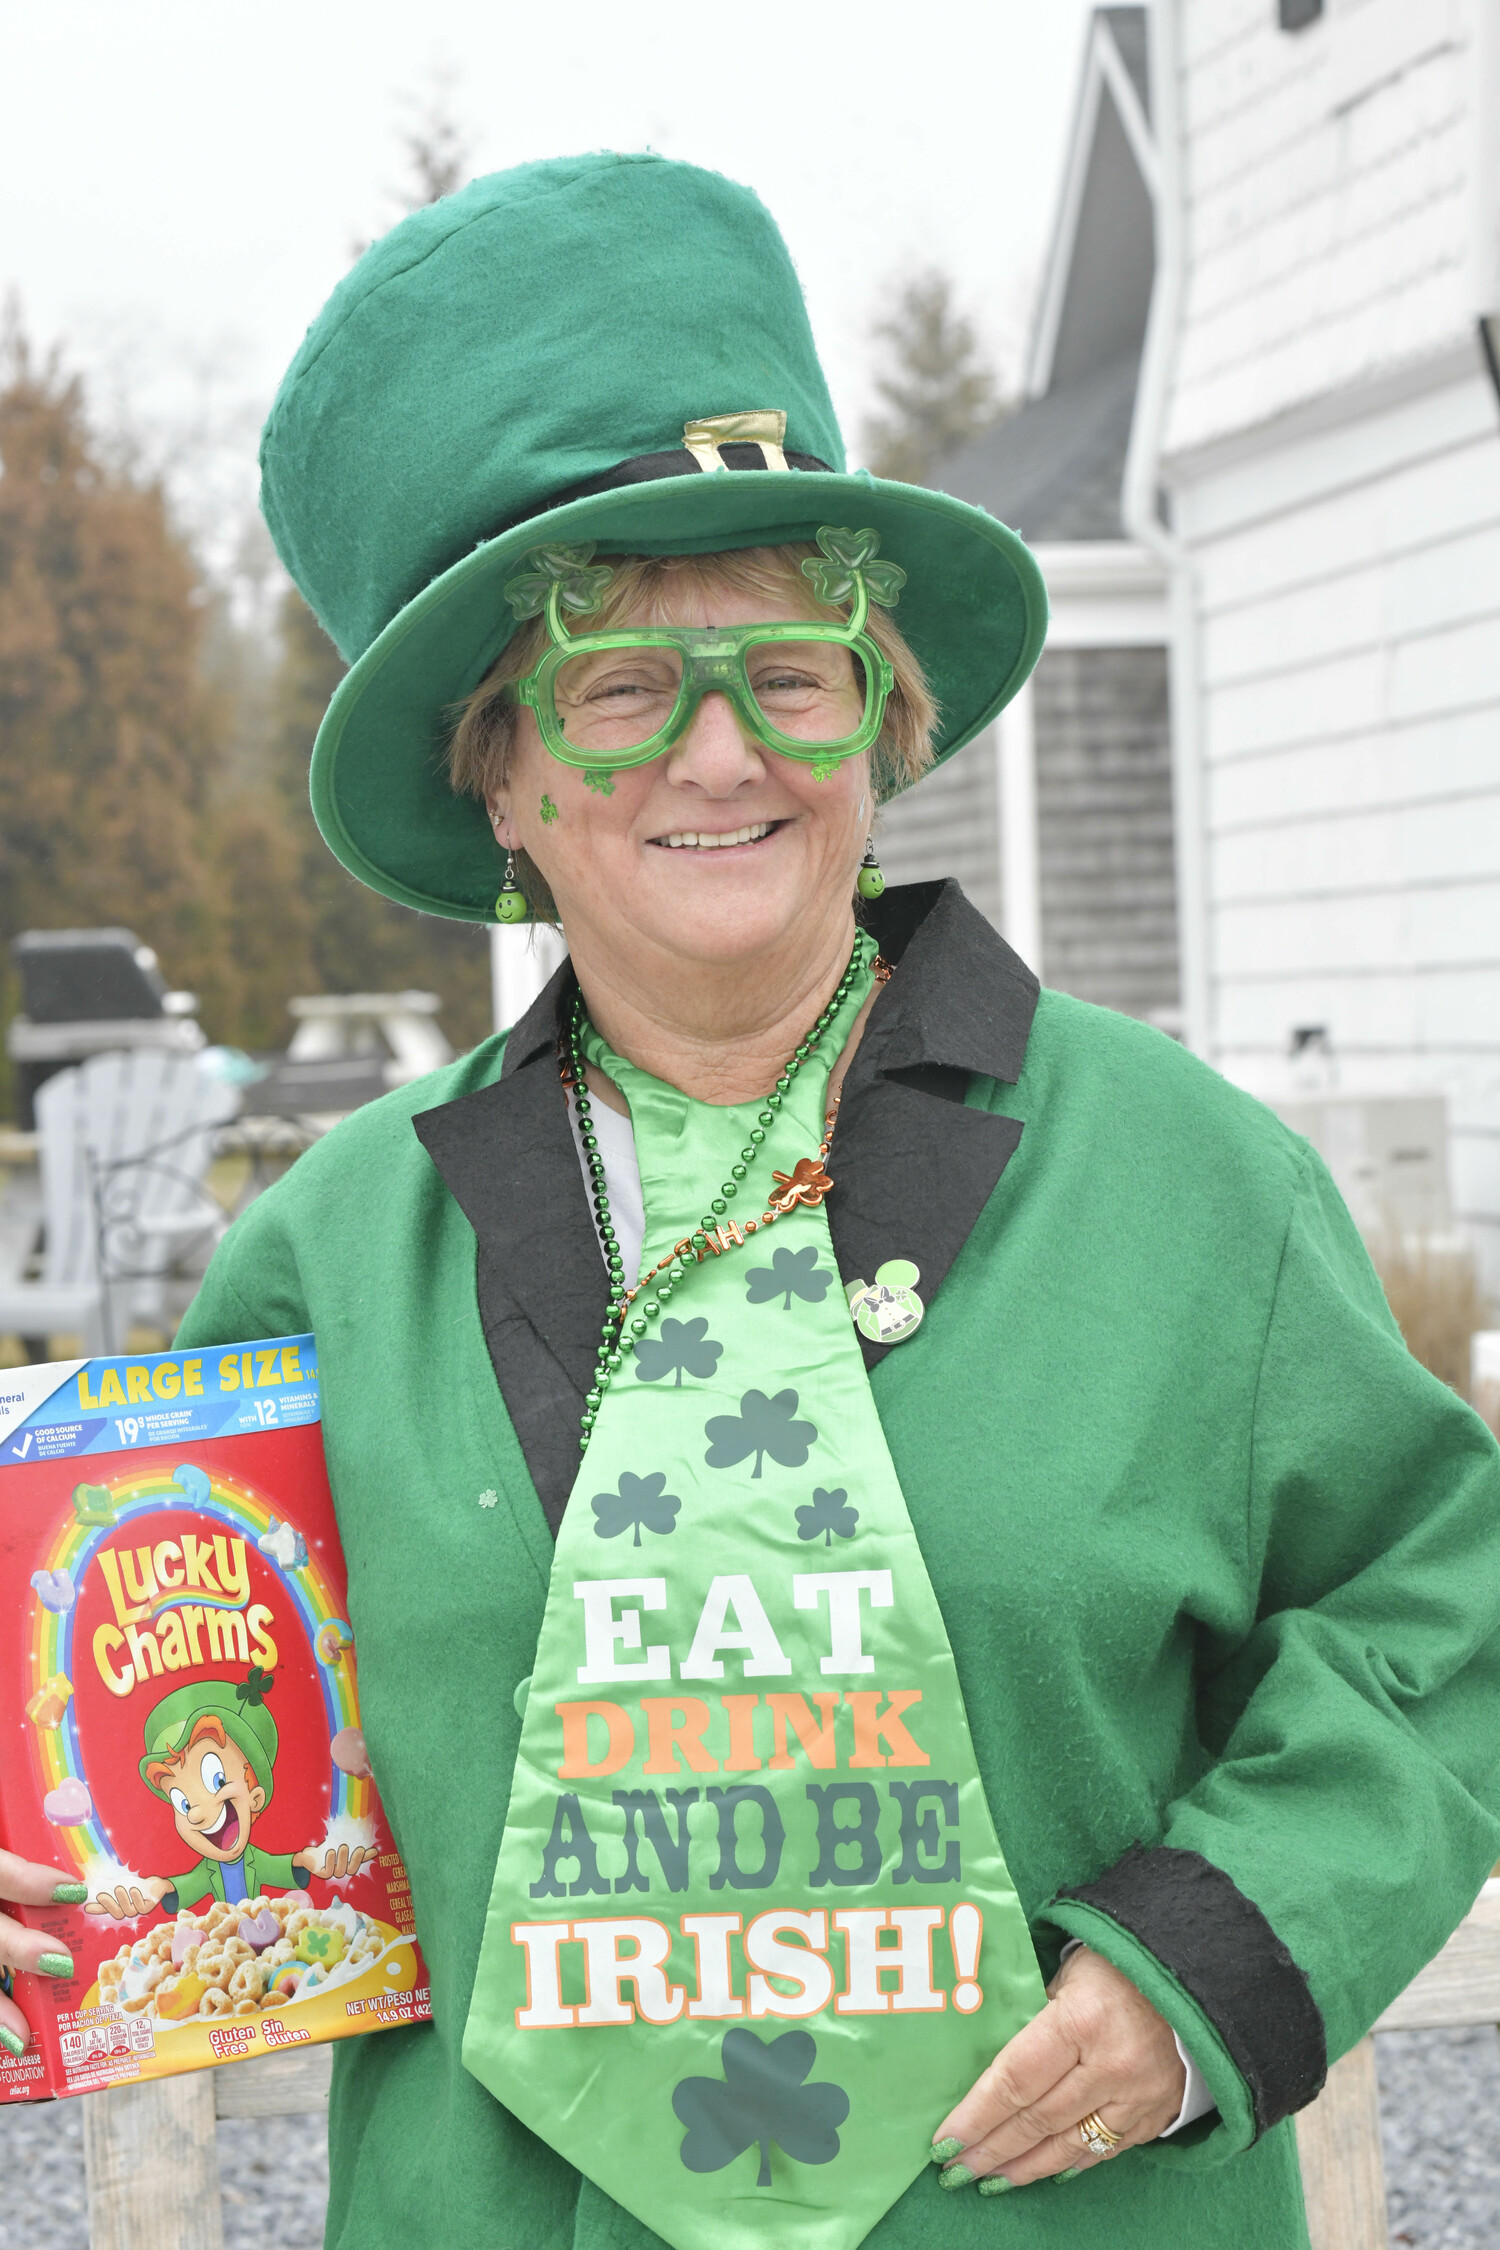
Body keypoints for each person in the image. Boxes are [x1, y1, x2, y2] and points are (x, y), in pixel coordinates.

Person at [4, 152, 1499, 2250]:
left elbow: (1449, 1607)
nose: (722, 755)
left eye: (784, 671)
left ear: (883, 721)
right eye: (624, 692)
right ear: (502, 775)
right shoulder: (318, 1266)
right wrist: (80, 1857)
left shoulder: (1193, 1186)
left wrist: (1213, 1961)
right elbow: (187, 1764)